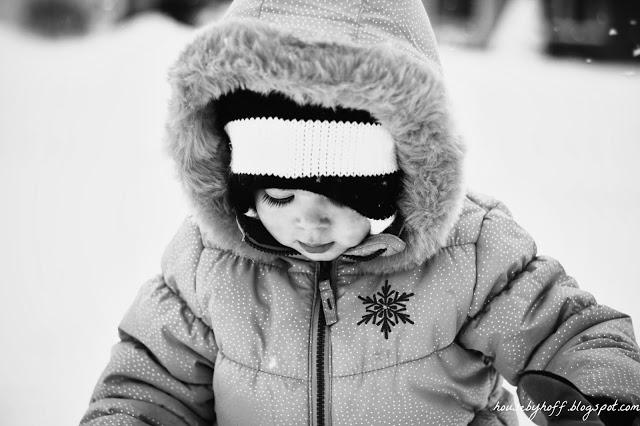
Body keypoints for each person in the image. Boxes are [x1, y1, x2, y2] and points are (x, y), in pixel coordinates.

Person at [80, 0, 640, 425]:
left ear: (402, 173)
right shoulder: (208, 267)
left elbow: (567, 331)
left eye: (343, 196)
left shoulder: (469, 253)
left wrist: (603, 400)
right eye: (278, 197)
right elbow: (148, 389)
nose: (309, 222)